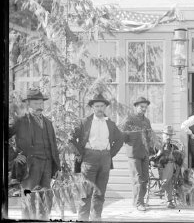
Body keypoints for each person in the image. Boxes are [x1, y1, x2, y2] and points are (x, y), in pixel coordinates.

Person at [9, 88, 61, 220]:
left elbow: (53, 147)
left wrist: (57, 167)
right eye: (36, 104)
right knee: (28, 198)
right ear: (28, 104)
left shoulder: (48, 123)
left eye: (41, 103)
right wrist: (14, 155)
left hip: (47, 165)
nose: (40, 106)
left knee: (46, 198)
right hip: (29, 166)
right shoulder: (21, 121)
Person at [70, 94, 124, 221]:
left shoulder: (110, 123)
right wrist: (79, 153)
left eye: (102, 106)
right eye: (97, 106)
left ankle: (96, 218)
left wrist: (111, 154)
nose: (99, 108)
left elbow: (120, 139)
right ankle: (83, 219)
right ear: (92, 108)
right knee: (86, 192)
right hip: (89, 158)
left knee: (100, 192)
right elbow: (71, 137)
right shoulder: (85, 122)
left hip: (105, 158)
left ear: (105, 107)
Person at [122, 96, 153, 211]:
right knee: (137, 178)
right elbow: (122, 135)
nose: (144, 109)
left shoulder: (147, 121)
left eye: (145, 107)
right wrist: (132, 141)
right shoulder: (129, 119)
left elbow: (149, 137)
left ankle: (141, 201)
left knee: (145, 178)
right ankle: (138, 202)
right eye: (141, 107)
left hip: (145, 153)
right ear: (135, 107)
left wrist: (149, 149)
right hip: (134, 153)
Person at [150, 125, 184, 209]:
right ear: (163, 134)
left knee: (170, 165)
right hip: (158, 170)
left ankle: (164, 186)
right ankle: (169, 200)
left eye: (170, 135)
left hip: (171, 170)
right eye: (167, 135)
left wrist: (178, 155)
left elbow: (179, 162)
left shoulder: (174, 147)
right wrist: (158, 154)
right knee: (168, 170)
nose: (169, 137)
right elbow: (150, 160)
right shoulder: (156, 146)